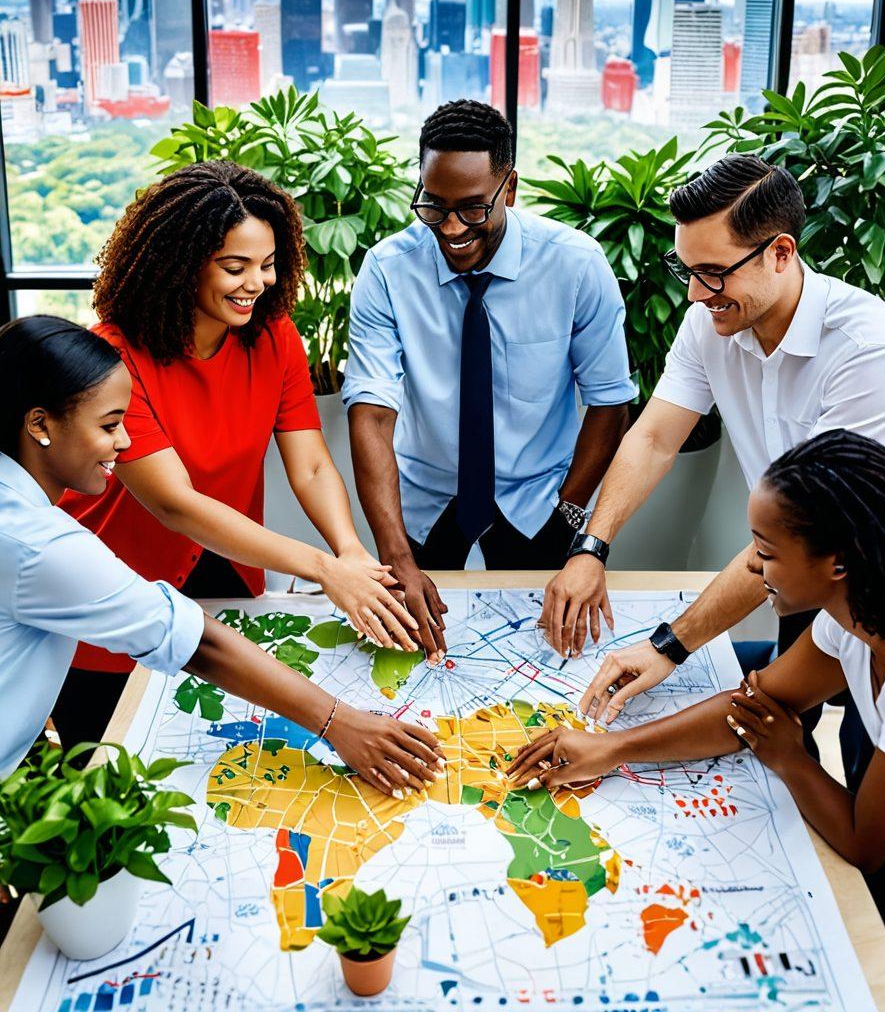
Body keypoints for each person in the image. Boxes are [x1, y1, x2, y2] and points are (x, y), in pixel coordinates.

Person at [542, 153, 885, 783]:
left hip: (872, 599)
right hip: (796, 575)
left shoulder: (869, 349)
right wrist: (590, 547)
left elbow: (809, 528)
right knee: (779, 750)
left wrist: (670, 644)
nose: (695, 293)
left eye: (712, 273)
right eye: (686, 270)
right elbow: (653, 438)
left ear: (781, 252)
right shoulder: (711, 320)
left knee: (872, 771)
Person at [55, 161, 418, 747]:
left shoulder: (273, 337)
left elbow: (313, 464)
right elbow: (175, 504)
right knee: (110, 776)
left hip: (224, 573)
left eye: (269, 265)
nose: (258, 282)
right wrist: (325, 569)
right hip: (116, 592)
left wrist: (352, 553)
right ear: (179, 265)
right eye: (235, 267)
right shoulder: (113, 355)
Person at [0, 316, 443, 793]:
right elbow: (195, 642)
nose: (126, 441)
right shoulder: (38, 544)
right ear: (40, 424)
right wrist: (341, 724)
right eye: (109, 425)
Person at [510, 429, 885, 940]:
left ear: (837, 564)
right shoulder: (847, 618)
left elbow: (865, 845)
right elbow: (751, 709)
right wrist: (611, 749)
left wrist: (788, 755)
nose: (754, 567)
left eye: (767, 551)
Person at [344, 100, 636, 659]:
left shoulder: (575, 264)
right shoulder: (387, 268)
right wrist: (394, 553)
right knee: (407, 656)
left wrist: (569, 512)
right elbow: (372, 412)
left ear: (511, 189)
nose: (451, 228)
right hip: (422, 499)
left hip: (540, 498)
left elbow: (609, 403)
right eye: (435, 205)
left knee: (548, 657)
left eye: (473, 208)